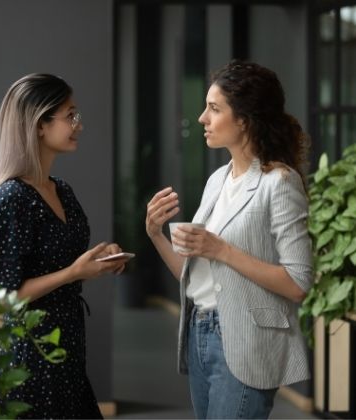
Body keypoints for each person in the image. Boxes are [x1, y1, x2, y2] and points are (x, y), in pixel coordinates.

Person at [146, 60, 313, 419]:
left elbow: (298, 283)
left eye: (214, 108)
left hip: (246, 340)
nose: (202, 118)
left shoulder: (279, 182)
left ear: (245, 119)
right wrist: (156, 234)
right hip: (199, 332)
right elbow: (197, 278)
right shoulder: (217, 180)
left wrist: (220, 249)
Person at [0, 74, 131, 419]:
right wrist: (74, 273)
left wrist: (101, 255)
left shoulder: (61, 189)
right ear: (39, 125)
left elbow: (62, 257)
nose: (79, 124)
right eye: (71, 116)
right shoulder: (11, 198)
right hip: (31, 354)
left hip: (68, 346)